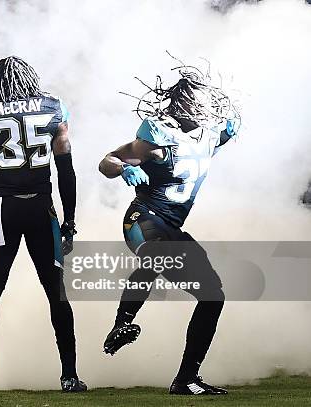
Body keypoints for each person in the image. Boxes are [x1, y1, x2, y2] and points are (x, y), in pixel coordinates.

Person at [98, 68, 240, 395]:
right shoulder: (158, 138)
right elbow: (106, 161)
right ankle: (122, 323)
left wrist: (232, 128)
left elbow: (219, 138)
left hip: (171, 226)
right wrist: (124, 168)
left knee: (213, 297)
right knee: (156, 254)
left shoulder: (210, 134)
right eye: (201, 100)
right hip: (142, 220)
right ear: (186, 103)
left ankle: (186, 378)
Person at [0, 56, 86, 395]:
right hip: (40, 207)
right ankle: (69, 376)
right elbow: (67, 170)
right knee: (56, 294)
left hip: (3, 209)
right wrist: (69, 221)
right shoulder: (53, 107)